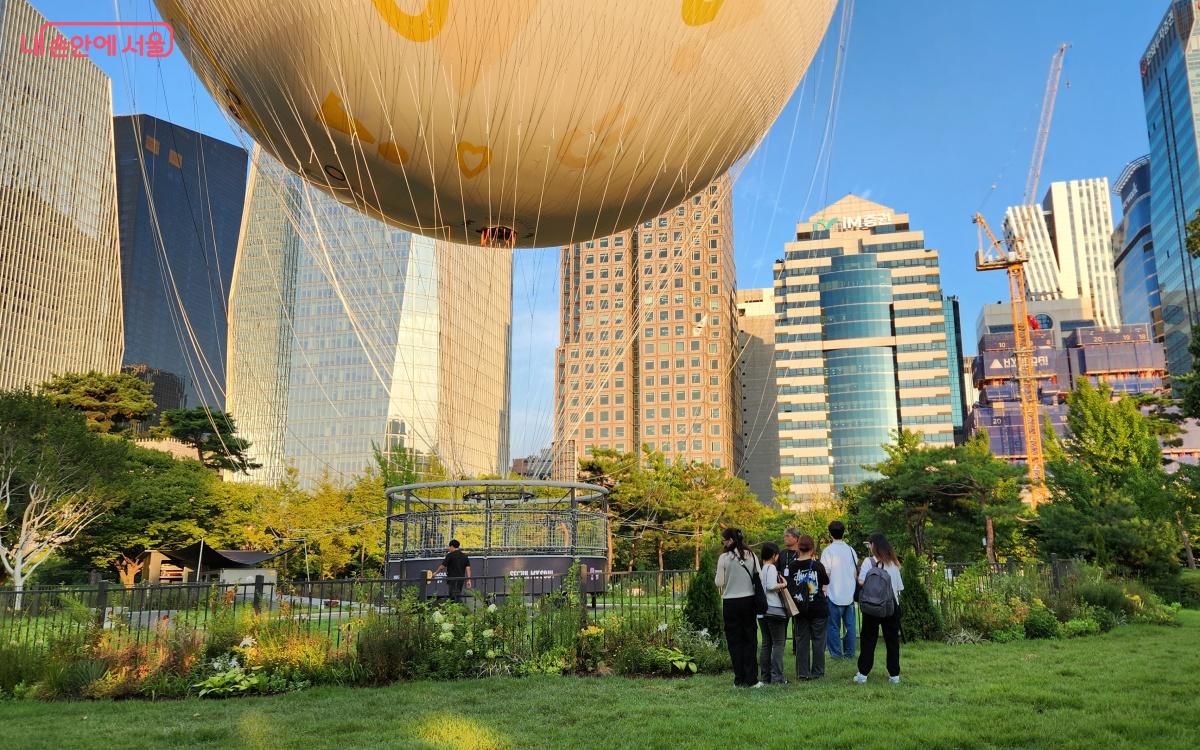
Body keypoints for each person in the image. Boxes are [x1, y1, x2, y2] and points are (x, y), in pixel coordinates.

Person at [854, 532, 904, 684]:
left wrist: (855, 577)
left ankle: (863, 674)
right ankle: (894, 675)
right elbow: (899, 587)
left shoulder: (869, 562)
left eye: (870, 544)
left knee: (868, 639)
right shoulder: (894, 562)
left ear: (874, 545)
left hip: (873, 605)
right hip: (891, 606)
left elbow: (862, 582)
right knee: (892, 641)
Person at [714, 527, 761, 687]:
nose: (723, 543)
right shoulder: (752, 555)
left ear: (730, 540)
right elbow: (759, 576)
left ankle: (739, 679)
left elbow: (719, 582)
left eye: (724, 540)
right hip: (748, 601)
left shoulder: (724, 558)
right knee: (750, 640)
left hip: (730, 602)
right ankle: (752, 679)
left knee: (734, 642)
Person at [788, 534, 829, 680]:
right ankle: (818, 672)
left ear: (798, 547)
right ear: (812, 548)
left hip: (800, 609)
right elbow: (826, 580)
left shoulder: (792, 566)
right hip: (818, 608)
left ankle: (802, 672)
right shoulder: (818, 565)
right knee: (819, 641)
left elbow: (789, 586)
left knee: (802, 641)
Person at [820, 520, 858, 659]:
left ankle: (836, 654)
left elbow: (826, 574)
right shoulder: (851, 550)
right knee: (850, 626)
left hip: (833, 593)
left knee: (833, 627)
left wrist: (824, 588)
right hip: (849, 594)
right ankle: (849, 653)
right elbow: (855, 573)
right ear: (844, 532)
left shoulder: (828, 551)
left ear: (830, 533)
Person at [757, 542, 789, 685]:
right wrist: (783, 584)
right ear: (774, 555)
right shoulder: (771, 568)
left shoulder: (760, 569)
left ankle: (766, 676)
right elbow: (771, 586)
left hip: (762, 612)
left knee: (766, 644)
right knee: (778, 644)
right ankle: (777, 677)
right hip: (774, 610)